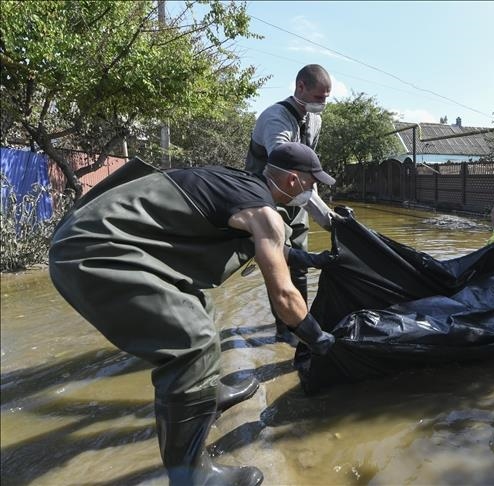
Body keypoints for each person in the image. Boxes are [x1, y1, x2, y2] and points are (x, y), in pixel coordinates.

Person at [48, 143, 338, 486]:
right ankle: (192, 477)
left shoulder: (243, 186)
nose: (312, 190)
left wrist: (311, 259)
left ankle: (207, 393)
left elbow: (262, 244)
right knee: (191, 343)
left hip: (94, 236)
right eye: (311, 182)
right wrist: (319, 338)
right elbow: (284, 297)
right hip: (95, 250)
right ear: (292, 180)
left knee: (197, 306)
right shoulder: (264, 212)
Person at [245, 63, 340, 345]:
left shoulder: (315, 121)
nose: (322, 104)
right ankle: (285, 329)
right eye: (319, 97)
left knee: (300, 259)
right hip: (267, 196)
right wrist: (327, 219)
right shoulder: (275, 119)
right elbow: (286, 175)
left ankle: (300, 322)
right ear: (300, 87)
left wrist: (336, 223)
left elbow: (306, 173)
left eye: (326, 98)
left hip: (296, 196)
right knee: (278, 260)